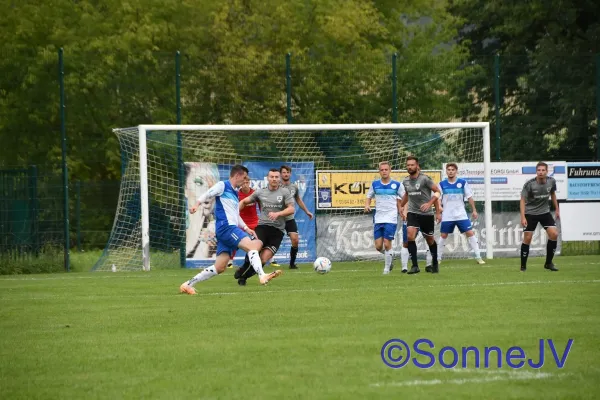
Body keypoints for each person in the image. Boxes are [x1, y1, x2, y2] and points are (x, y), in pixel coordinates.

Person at [179, 165, 282, 295]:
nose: (245, 181)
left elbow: (236, 215)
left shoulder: (234, 193)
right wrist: (196, 204)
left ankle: (187, 284)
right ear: (237, 175)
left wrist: (246, 228)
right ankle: (262, 275)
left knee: (220, 267)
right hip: (226, 227)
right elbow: (208, 193)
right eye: (244, 178)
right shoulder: (223, 185)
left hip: (226, 229)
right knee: (252, 246)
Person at [235, 168, 295, 285]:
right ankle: (244, 267)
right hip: (262, 227)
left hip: (278, 231)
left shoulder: (285, 192)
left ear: (279, 178)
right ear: (267, 178)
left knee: (263, 259)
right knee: (254, 249)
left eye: (276, 177)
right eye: (272, 177)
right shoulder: (260, 192)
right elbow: (244, 202)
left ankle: (244, 277)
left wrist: (278, 214)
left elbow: (291, 209)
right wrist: (234, 213)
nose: (274, 179)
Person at [400, 156, 442, 274]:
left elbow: (437, 192)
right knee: (410, 236)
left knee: (430, 239)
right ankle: (415, 266)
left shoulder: (425, 179)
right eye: (408, 165)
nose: (410, 167)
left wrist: (431, 205)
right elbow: (407, 194)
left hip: (426, 214)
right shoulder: (405, 181)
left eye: (412, 165)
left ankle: (434, 262)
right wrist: (401, 206)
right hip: (412, 212)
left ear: (417, 166)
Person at [437, 163, 485, 266]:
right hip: (447, 215)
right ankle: (438, 258)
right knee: (443, 235)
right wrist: (439, 210)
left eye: (452, 170)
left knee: (470, 233)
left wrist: (474, 210)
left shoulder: (463, 183)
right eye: (449, 169)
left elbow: (469, 197)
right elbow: (438, 199)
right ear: (446, 171)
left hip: (461, 214)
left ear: (456, 171)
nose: (450, 171)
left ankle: (478, 257)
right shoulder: (441, 184)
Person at [520, 162, 560, 272]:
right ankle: (523, 266)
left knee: (554, 234)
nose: (541, 172)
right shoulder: (529, 184)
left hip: (545, 212)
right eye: (539, 170)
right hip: (530, 213)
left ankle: (548, 263)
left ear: (547, 171)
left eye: (543, 170)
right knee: (527, 238)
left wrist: (557, 209)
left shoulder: (552, 181)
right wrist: (523, 217)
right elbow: (522, 200)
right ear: (536, 171)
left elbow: (553, 194)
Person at [364, 161, 404, 274]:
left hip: (391, 218)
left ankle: (386, 269)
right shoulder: (375, 184)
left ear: (390, 170)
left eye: (386, 169)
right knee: (378, 246)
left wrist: (403, 209)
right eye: (382, 170)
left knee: (387, 243)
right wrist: (367, 205)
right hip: (378, 218)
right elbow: (368, 196)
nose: (384, 171)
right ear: (379, 171)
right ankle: (390, 254)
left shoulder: (397, 185)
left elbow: (405, 197)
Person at [274, 165, 314, 269]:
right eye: (284, 172)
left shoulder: (294, 187)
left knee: (295, 240)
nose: (286, 174)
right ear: (280, 174)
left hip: (289, 218)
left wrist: (307, 211)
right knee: (270, 241)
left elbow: (298, 199)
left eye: (288, 172)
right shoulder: (276, 186)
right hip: (277, 218)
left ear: (290, 174)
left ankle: (292, 264)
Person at [227, 175, 260, 268]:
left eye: (247, 182)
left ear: (249, 182)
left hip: (254, 221)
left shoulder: (255, 193)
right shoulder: (237, 194)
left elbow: (261, 205)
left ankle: (270, 260)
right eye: (243, 183)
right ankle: (230, 261)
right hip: (241, 222)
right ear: (241, 183)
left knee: (259, 240)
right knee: (235, 241)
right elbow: (234, 209)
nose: (245, 184)